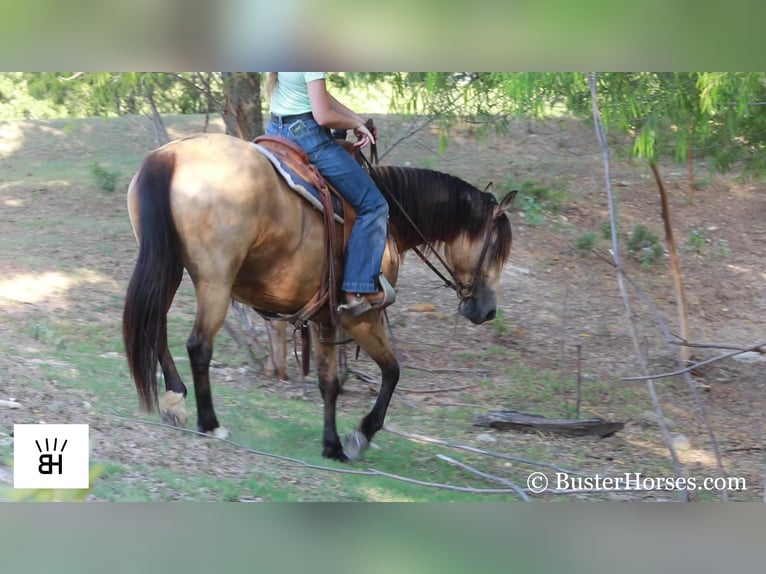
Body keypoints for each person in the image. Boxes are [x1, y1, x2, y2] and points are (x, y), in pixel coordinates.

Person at [264, 72, 395, 316]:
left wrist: (357, 120)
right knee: (374, 205)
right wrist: (355, 125)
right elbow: (323, 116)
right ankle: (357, 290)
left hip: (274, 131)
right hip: (306, 136)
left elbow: (319, 97)